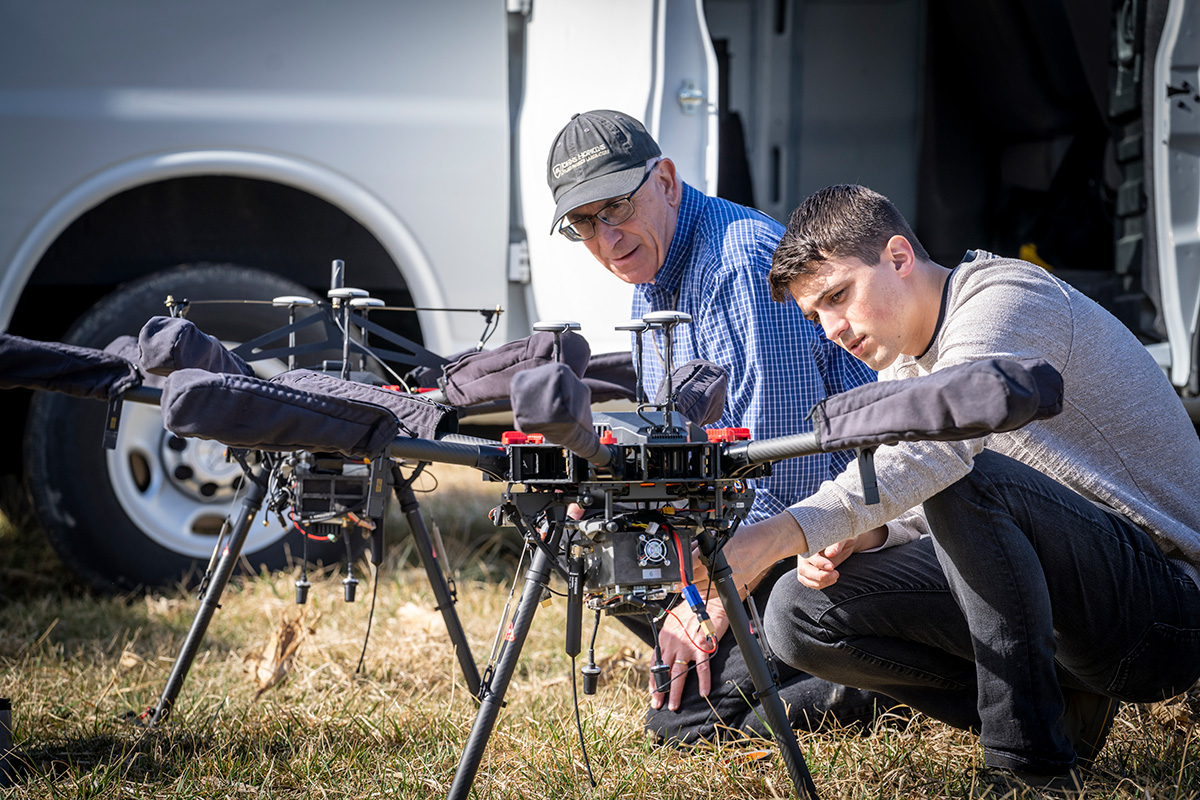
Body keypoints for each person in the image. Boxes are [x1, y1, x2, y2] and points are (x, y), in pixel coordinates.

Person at [710, 183, 1200, 794]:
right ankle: (1060, 708)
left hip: (1166, 610)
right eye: (816, 316)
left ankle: (1030, 767)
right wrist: (873, 532)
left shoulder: (1006, 299)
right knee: (797, 614)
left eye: (839, 296)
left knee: (968, 478)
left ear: (897, 256)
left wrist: (779, 534)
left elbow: (940, 458)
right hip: (1071, 602)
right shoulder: (907, 363)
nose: (833, 328)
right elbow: (939, 501)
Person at [545, 110, 881, 744]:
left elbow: (789, 470)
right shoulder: (649, 272)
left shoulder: (740, 262)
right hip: (750, 532)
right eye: (583, 222)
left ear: (666, 180)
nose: (606, 238)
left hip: (834, 537)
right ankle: (798, 668)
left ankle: (884, 678)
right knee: (598, 556)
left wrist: (710, 601)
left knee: (687, 724)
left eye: (616, 206)